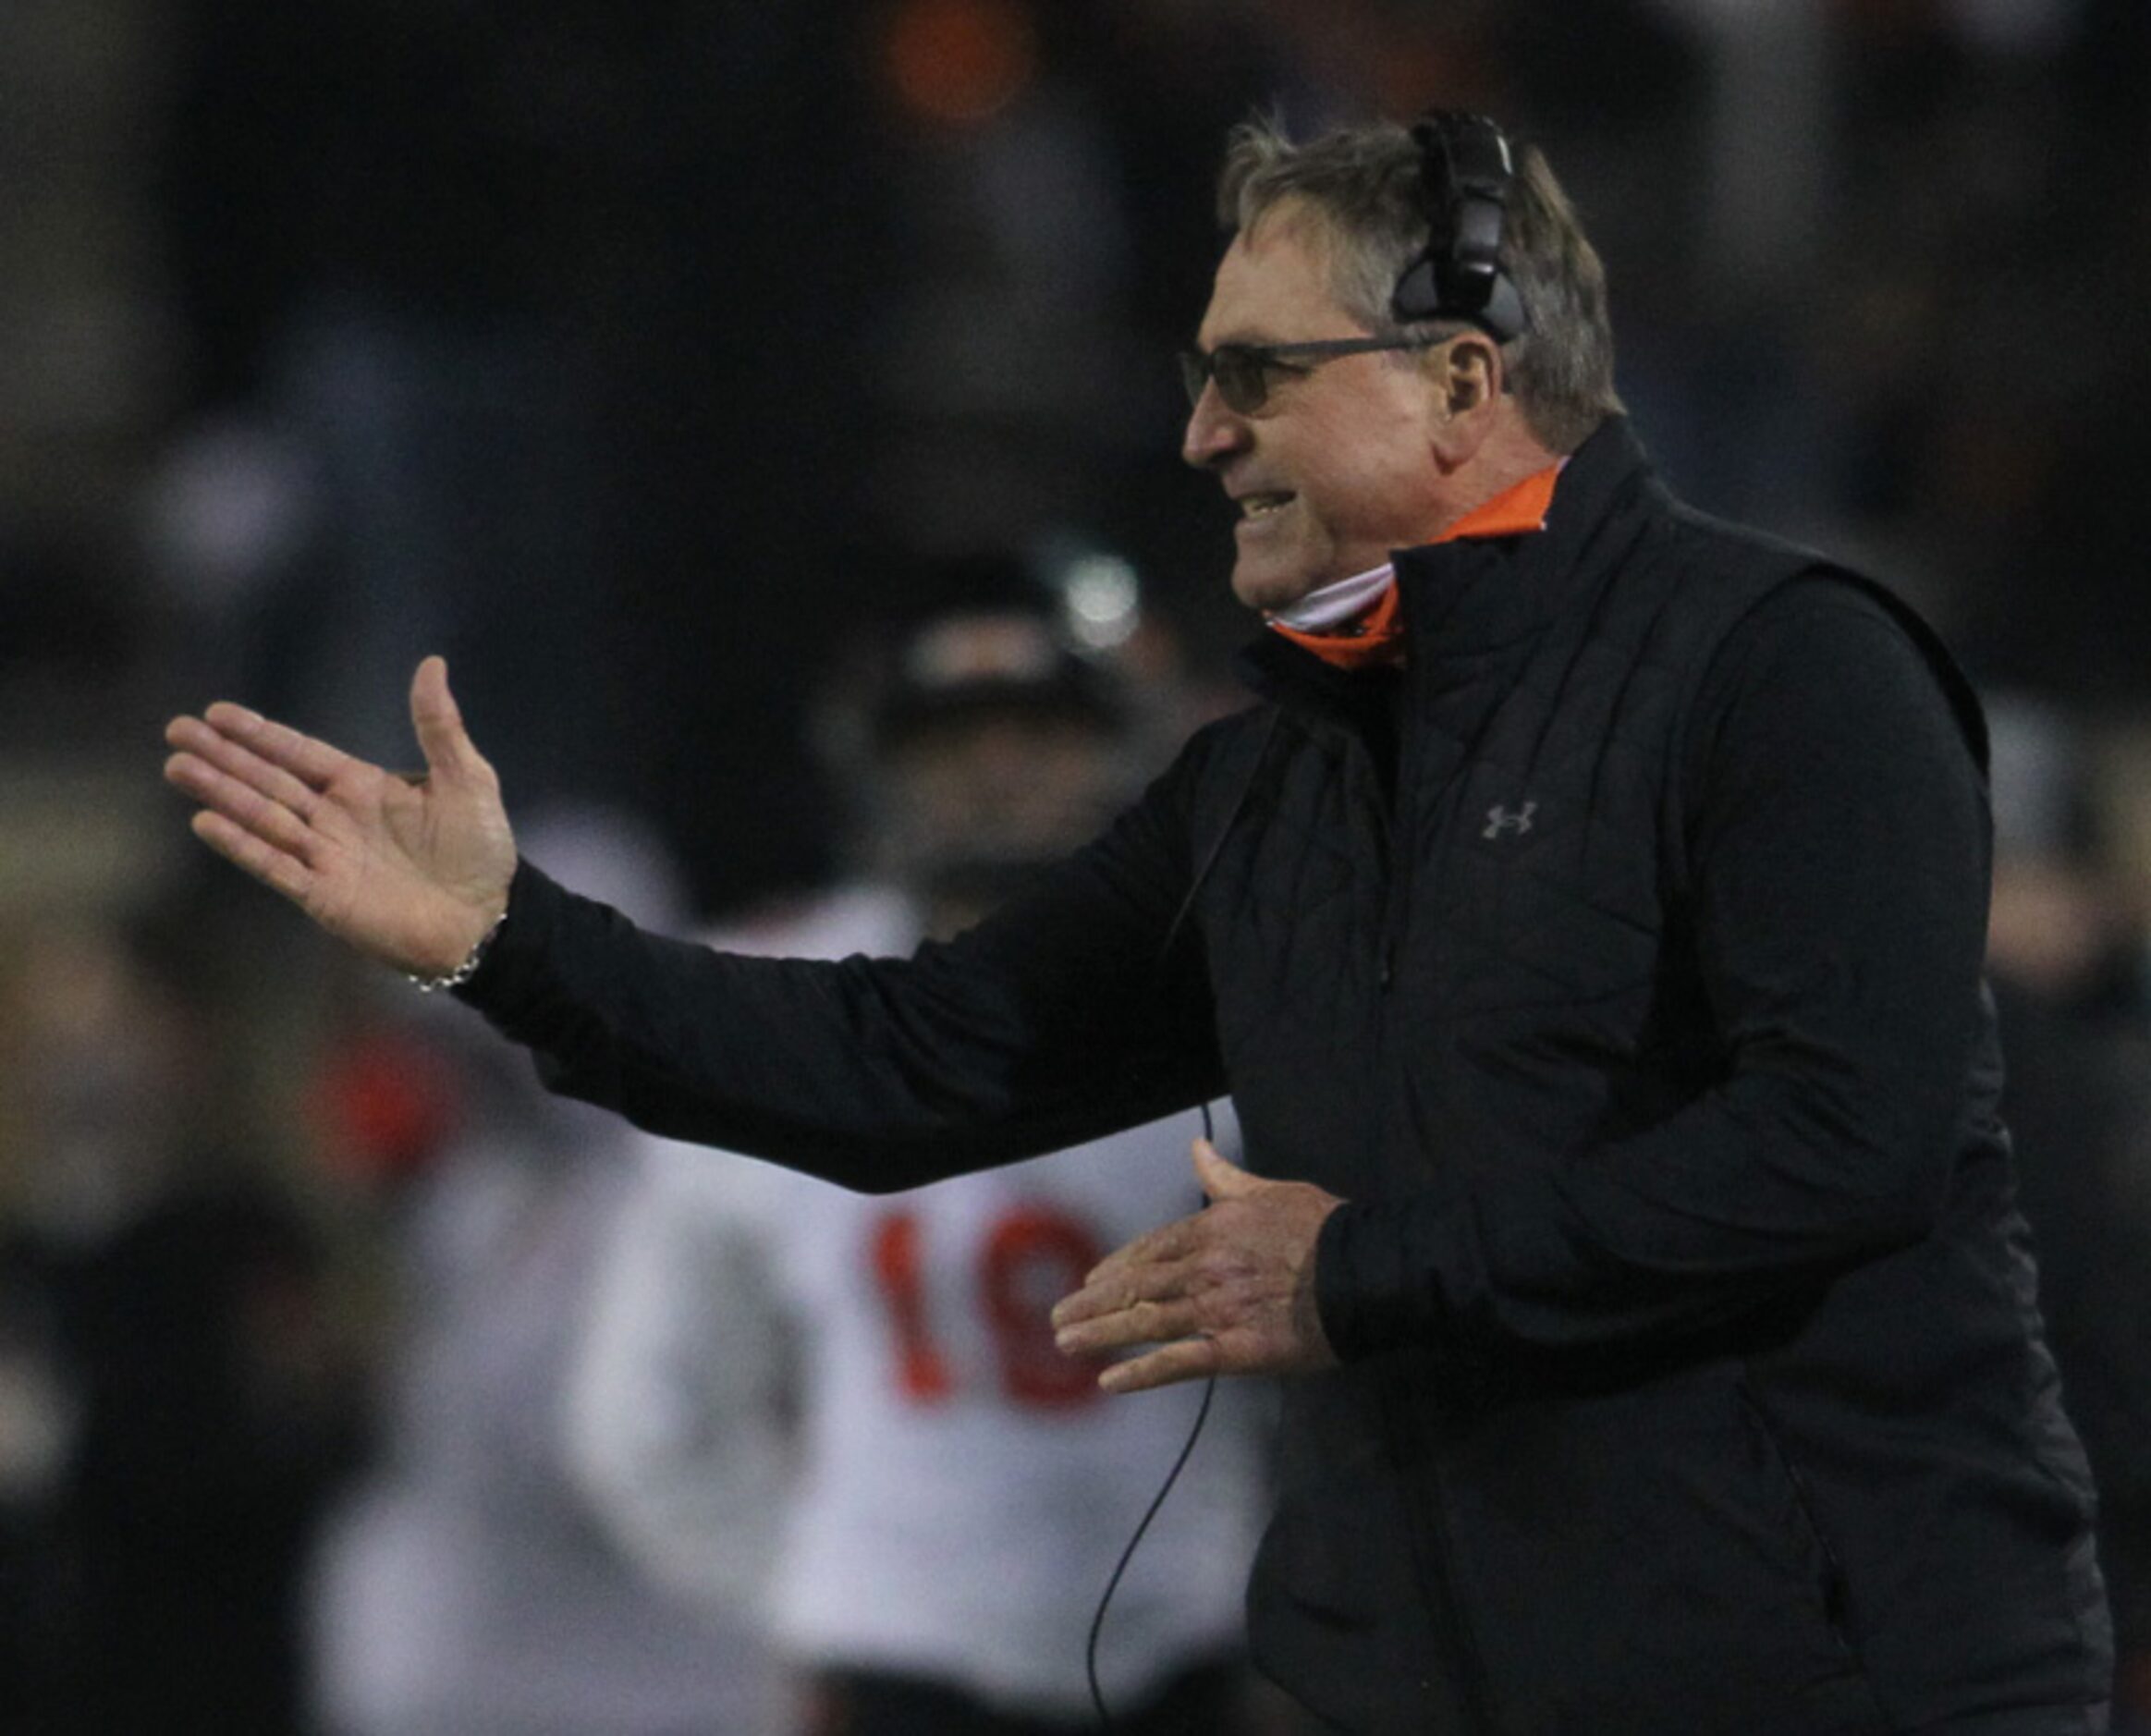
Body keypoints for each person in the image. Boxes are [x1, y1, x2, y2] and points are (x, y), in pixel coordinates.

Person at [164, 108, 2113, 1733]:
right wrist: (507, 945)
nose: (1195, 434)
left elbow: (1838, 1146)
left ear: (1458, 379)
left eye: (1253, 371)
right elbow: (900, 1061)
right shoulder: (1277, 785)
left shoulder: (1782, 674)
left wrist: (1355, 1275)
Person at [561, 596, 1281, 1734]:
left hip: (1188, 1644)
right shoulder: (777, 996)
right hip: (914, 1666)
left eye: (1039, 733)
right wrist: (822, 1598)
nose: (997, 773)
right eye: (953, 740)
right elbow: (645, 1418)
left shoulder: (1243, 993)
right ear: (880, 767)